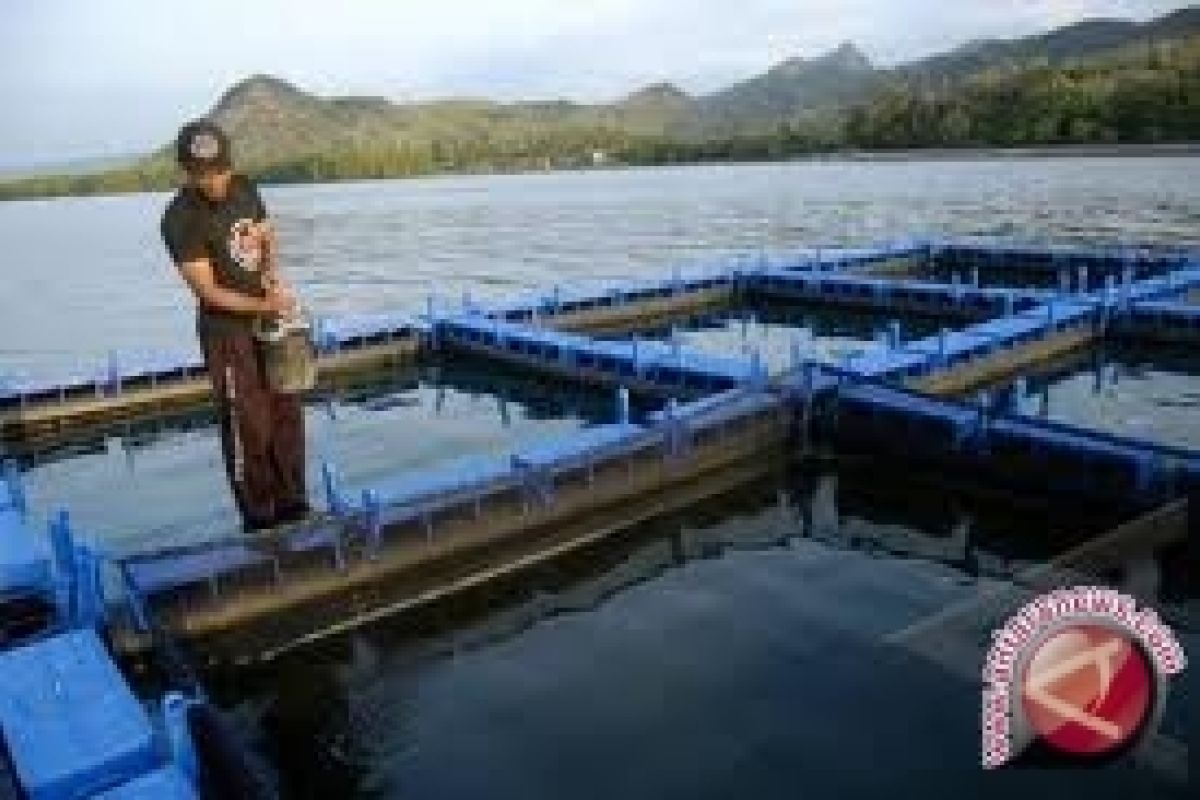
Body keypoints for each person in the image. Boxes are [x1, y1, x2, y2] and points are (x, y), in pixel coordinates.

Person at [160, 119, 310, 532]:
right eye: (202, 173)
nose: (213, 180)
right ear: (187, 170)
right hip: (226, 333)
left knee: (286, 413)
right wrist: (263, 303)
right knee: (248, 425)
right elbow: (208, 293)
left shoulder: (245, 188)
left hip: (267, 319)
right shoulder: (179, 218)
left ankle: (295, 507)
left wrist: (271, 278)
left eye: (219, 169)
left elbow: (265, 236)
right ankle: (260, 520)